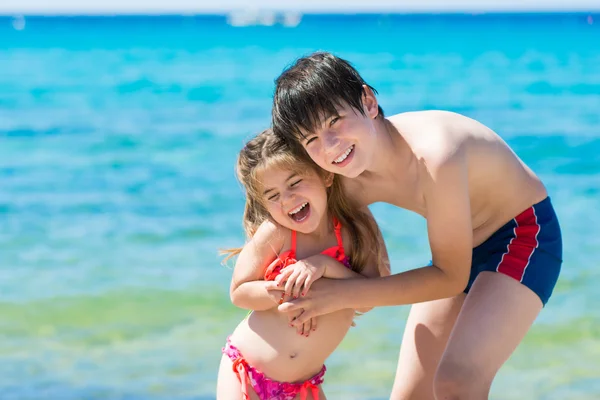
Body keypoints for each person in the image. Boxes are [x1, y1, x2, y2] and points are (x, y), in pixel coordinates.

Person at [269, 51, 563, 399]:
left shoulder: (436, 153)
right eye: (311, 140)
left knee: (458, 381)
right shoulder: (342, 177)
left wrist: (339, 295)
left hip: (523, 234)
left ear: (368, 101)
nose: (330, 147)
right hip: (460, 245)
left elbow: (449, 277)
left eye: (334, 121)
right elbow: (281, 217)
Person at [216, 129, 390, 400]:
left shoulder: (354, 232)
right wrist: (285, 291)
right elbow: (239, 292)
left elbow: (369, 297)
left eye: (295, 183)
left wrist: (324, 266)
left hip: (304, 386)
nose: (287, 199)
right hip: (247, 372)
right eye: (273, 196)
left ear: (325, 175)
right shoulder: (277, 232)